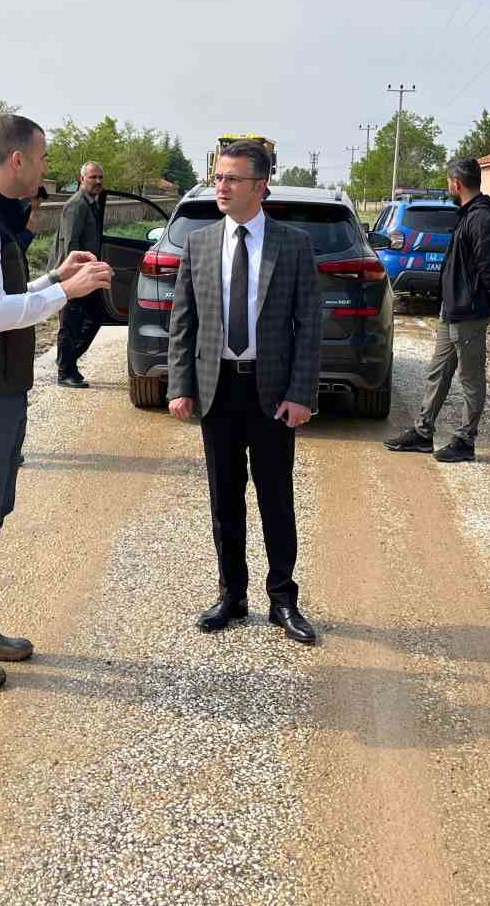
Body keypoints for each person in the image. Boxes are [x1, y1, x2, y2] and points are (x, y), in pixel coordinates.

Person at [0, 116, 112, 691]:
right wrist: (66, 293)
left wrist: (54, 276)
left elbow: (6, 296)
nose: (44, 171)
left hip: (1, 387)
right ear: (16, 161)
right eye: (41, 160)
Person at [166, 141, 323, 645]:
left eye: (233, 179)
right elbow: (183, 322)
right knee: (224, 500)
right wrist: (180, 386)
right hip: (218, 392)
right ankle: (232, 595)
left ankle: (283, 599)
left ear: (260, 186)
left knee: (276, 498)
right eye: (218, 177)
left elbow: (310, 326)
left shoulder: (293, 245)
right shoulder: (201, 243)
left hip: (272, 392)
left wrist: (302, 394)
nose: (221, 186)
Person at [384, 155, 490, 463]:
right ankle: (423, 433)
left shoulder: (481, 218)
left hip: (469, 312)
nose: (448, 186)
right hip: (451, 310)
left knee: (470, 379)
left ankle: (465, 441)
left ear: (456, 183)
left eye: (448, 182)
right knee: (437, 373)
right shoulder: (468, 214)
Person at [51, 162, 109, 388]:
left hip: (87, 274)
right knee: (71, 323)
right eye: (93, 177)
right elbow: (70, 244)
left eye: (101, 177)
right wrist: (72, 279)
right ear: (81, 179)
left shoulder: (92, 203)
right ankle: (65, 371)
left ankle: (68, 362)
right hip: (75, 276)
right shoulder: (76, 205)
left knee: (95, 316)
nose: (98, 181)